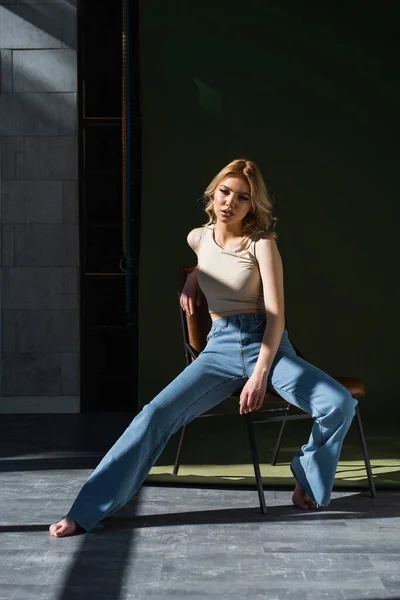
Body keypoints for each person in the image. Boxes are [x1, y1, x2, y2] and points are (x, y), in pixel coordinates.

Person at [49, 158, 357, 537]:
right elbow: (210, 256)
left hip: (268, 347)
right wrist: (194, 277)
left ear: (252, 205)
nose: (231, 202)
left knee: (338, 402)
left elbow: (277, 315)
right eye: (225, 192)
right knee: (152, 416)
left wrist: (260, 374)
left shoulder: (262, 243)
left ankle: (306, 479)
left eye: (242, 198)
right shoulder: (197, 238)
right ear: (213, 193)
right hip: (220, 350)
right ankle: (85, 511)